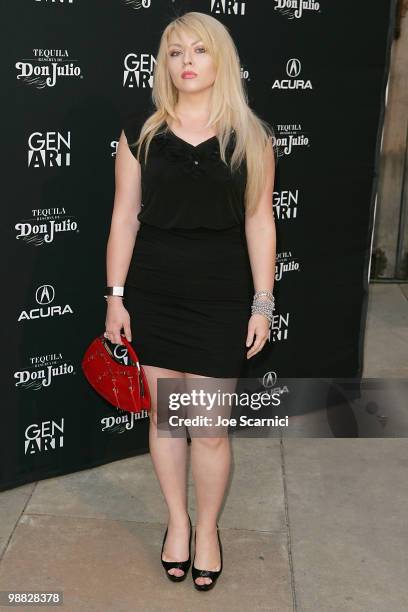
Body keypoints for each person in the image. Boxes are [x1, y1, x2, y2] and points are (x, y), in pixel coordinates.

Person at [105, 12, 276, 591]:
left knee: (206, 427)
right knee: (167, 421)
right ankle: (177, 523)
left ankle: (208, 529)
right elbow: (124, 219)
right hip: (154, 291)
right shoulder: (141, 133)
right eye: (175, 53)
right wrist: (116, 298)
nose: (186, 63)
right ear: (165, 63)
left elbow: (259, 221)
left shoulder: (251, 136)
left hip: (221, 295)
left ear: (219, 60)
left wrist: (262, 302)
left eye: (199, 51)